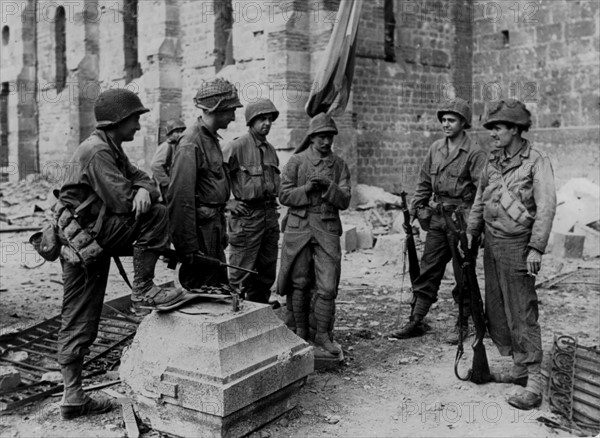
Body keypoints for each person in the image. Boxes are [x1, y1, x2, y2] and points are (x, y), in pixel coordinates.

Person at [56, 88, 185, 420]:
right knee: (156, 214)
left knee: (81, 313)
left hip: (92, 239)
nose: (139, 127)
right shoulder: (98, 152)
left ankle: (73, 396)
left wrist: (143, 187)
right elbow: (123, 202)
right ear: (118, 121)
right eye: (135, 120)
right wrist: (141, 193)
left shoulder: (109, 147)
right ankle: (144, 288)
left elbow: (143, 179)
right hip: (85, 241)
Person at [466, 99, 556, 410]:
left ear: (516, 130)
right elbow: (480, 199)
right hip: (491, 245)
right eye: (490, 128)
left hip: (519, 246)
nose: (492, 134)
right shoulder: (493, 161)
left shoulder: (536, 161)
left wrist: (536, 246)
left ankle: (534, 380)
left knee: (522, 312)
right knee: (498, 310)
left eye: (498, 128)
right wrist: (470, 230)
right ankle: (518, 367)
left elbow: (546, 207)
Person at [389, 98, 486, 342]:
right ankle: (417, 320)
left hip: (461, 220)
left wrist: (476, 226)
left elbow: (484, 192)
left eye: (451, 120)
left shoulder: (474, 152)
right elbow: (423, 182)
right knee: (428, 269)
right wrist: (414, 211)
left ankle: (466, 324)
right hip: (438, 218)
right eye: (443, 120)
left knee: (463, 274)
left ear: (463, 122)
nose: (446, 124)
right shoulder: (435, 148)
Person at [277, 113, 351, 355]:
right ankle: (298, 331)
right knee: (298, 282)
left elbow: (346, 199)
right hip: (299, 228)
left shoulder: (339, 165)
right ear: (311, 137)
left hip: (327, 227)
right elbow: (284, 195)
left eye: (329, 137)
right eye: (321, 137)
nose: (326, 142)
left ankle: (322, 335)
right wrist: (307, 188)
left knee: (327, 287)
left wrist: (329, 187)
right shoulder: (296, 161)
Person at [168, 78, 242, 289]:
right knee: (200, 291)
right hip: (199, 234)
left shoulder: (210, 139)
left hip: (213, 227)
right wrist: (188, 247)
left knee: (216, 287)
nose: (233, 116)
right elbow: (180, 199)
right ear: (215, 109)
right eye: (230, 110)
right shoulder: (191, 142)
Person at [223, 99, 281, 303]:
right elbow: (213, 177)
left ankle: (259, 308)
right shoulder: (237, 146)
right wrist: (226, 203)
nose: (267, 123)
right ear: (251, 121)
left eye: (269, 119)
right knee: (240, 270)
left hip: (269, 214)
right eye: (261, 119)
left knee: (266, 270)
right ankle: (234, 311)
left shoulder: (271, 150)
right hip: (247, 217)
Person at [150, 118, 186, 201]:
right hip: (166, 188)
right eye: (177, 132)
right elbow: (155, 165)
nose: (180, 134)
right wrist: (167, 183)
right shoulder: (166, 146)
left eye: (182, 131)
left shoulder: (178, 146)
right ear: (170, 134)